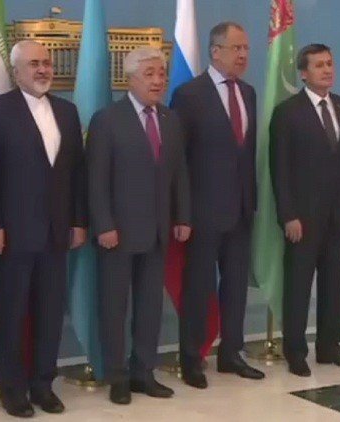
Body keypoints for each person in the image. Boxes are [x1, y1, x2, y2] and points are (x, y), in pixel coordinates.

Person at [0, 40, 87, 418]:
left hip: (56, 235)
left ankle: (42, 385)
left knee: (50, 315)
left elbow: (77, 173)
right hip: (12, 235)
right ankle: (12, 390)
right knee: (11, 317)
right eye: (34, 64)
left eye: (46, 63)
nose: (42, 70)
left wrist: (78, 221)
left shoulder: (67, 111)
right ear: (16, 71)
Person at [87, 46, 191, 405]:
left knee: (150, 307)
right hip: (117, 233)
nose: (158, 81)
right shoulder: (107, 120)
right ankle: (116, 376)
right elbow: (96, 179)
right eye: (149, 74)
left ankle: (143, 373)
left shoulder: (170, 119)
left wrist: (183, 216)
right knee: (114, 308)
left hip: (158, 231)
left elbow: (179, 174)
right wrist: (104, 224)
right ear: (129, 78)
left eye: (161, 73)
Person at [171, 21, 264, 389]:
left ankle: (231, 353)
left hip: (240, 210)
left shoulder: (249, 93)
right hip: (202, 212)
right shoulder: (189, 95)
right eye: (236, 48)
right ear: (215, 51)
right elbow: (178, 160)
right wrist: (183, 212)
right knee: (198, 287)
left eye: (246, 48)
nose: (243, 55)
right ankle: (192, 358)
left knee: (236, 286)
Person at [270, 43, 340, 377]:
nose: (327, 70)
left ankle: (329, 346)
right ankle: (295, 350)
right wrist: (288, 215)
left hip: (338, 215)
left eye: (329, 64)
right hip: (302, 218)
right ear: (303, 73)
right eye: (319, 65)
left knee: (333, 282)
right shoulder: (288, 113)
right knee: (298, 285)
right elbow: (279, 170)